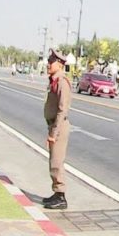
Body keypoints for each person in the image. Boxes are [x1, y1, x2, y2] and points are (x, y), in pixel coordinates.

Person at [42, 49, 73, 210]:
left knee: (56, 162)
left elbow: (62, 110)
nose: (48, 64)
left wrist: (54, 133)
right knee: (53, 161)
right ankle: (56, 193)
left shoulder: (62, 82)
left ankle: (61, 196)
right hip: (53, 125)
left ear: (59, 64)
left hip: (58, 126)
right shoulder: (54, 80)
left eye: (51, 62)